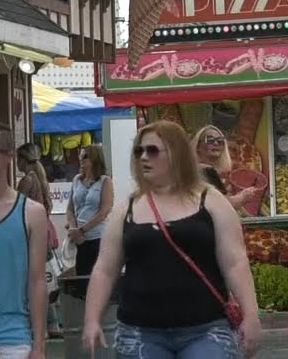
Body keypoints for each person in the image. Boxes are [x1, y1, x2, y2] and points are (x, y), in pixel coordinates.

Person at [83, 121, 261, 358]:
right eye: (139, 151)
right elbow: (105, 269)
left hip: (206, 329)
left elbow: (235, 262)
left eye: (153, 150)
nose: (144, 157)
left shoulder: (211, 200)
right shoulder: (127, 208)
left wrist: (251, 315)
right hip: (140, 331)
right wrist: (91, 320)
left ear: (176, 154)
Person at [0, 130, 49, 359]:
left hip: (14, 339)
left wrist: (38, 346)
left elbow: (37, 281)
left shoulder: (31, 212)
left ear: (9, 155)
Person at [15, 144, 61, 341]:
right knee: (41, 280)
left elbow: (17, 209)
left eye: (18, 159)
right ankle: (52, 323)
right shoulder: (40, 178)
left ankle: (40, 326)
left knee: (31, 282)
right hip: (42, 236)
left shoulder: (27, 180)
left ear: (23, 160)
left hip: (29, 237)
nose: (16, 162)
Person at [66, 144, 113, 279]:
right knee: (82, 276)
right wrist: (73, 228)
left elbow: (104, 212)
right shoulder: (76, 179)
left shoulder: (105, 181)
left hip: (97, 237)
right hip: (79, 239)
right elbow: (70, 208)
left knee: (98, 277)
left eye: (85, 156)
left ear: (95, 158)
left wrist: (82, 230)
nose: (81, 159)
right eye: (80, 156)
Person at [191, 125, 263, 212]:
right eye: (210, 140)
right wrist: (242, 197)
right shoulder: (200, 171)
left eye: (220, 140)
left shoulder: (219, 174)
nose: (216, 143)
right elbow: (220, 206)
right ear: (198, 147)